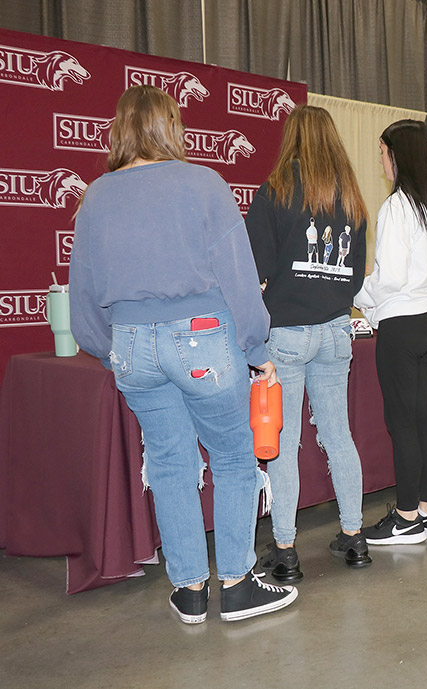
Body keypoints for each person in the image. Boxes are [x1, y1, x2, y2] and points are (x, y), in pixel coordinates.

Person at [69, 85, 297, 623]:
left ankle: (191, 590)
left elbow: (83, 295)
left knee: (170, 463)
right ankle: (237, 584)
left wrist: (108, 351)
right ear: (172, 126)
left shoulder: (96, 196)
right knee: (236, 457)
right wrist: (257, 347)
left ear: (118, 128)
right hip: (204, 339)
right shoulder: (204, 185)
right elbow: (239, 278)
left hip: (132, 346)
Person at [244, 104, 371, 579]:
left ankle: (285, 550)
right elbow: (355, 276)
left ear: (291, 139)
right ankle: (355, 538)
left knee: (284, 440)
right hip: (337, 330)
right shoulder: (353, 201)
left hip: (288, 334)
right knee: (339, 435)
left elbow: (257, 269)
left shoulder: (275, 191)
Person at [355, 119, 427, 543]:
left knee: (403, 424)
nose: (381, 161)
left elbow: (389, 277)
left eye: (382, 152)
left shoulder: (398, 205)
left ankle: (405, 517)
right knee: (421, 419)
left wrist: (358, 296)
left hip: (401, 323)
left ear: (398, 153)